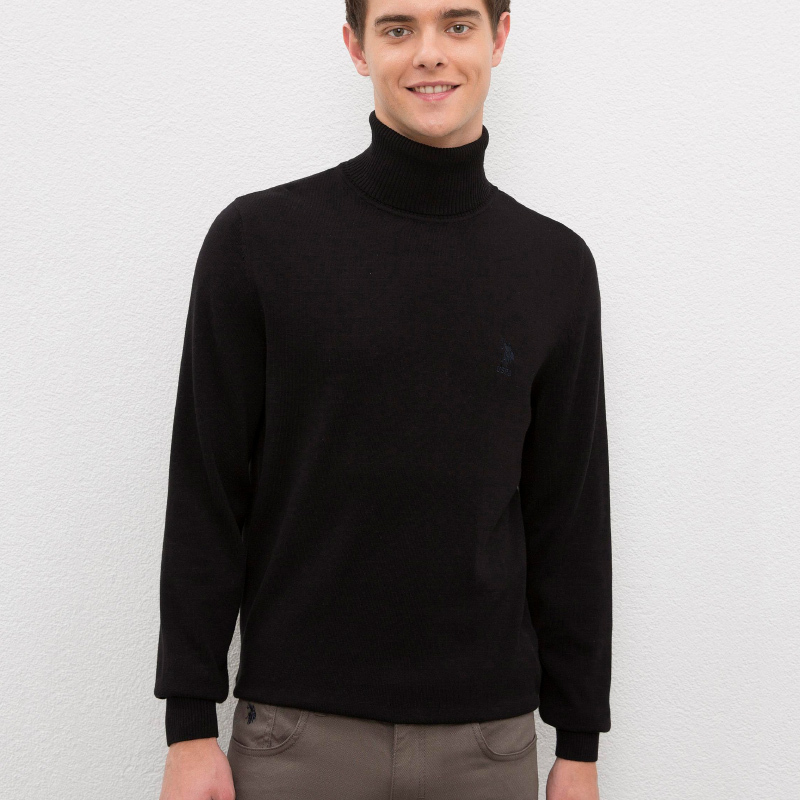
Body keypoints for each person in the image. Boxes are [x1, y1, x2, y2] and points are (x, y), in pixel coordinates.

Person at [155, 2, 612, 798]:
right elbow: (207, 491)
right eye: (398, 28)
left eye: (457, 25)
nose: (429, 53)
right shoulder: (259, 241)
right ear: (357, 47)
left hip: (487, 745)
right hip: (297, 737)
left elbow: (568, 518)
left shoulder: (555, 266)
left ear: (500, 37)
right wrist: (189, 726)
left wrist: (579, 744)